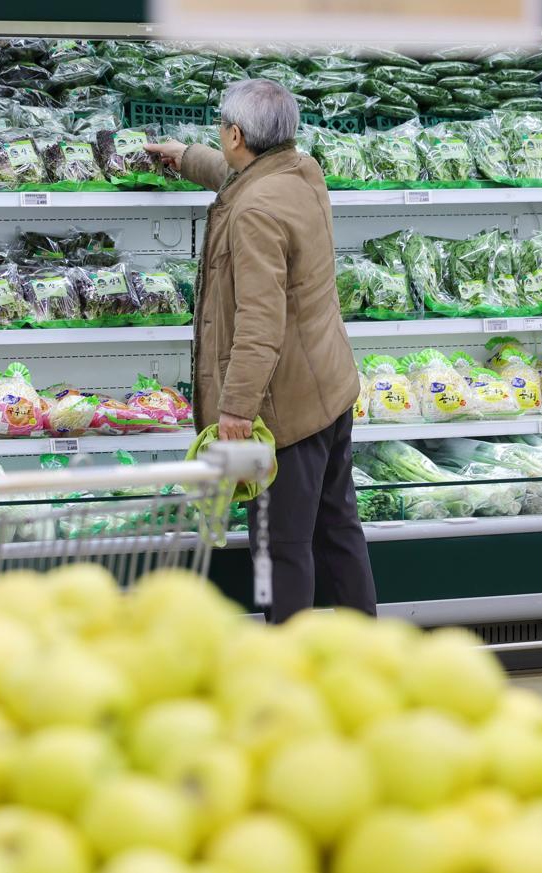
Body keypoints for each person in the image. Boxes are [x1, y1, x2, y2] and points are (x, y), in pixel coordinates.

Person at [146, 78, 377, 621]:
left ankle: (284, 669)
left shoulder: (253, 213)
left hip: (285, 409)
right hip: (328, 388)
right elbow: (238, 175)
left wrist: (235, 410)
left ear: (235, 133)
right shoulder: (301, 171)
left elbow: (259, 322)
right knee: (338, 527)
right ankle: (369, 652)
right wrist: (184, 158)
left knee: (281, 546)